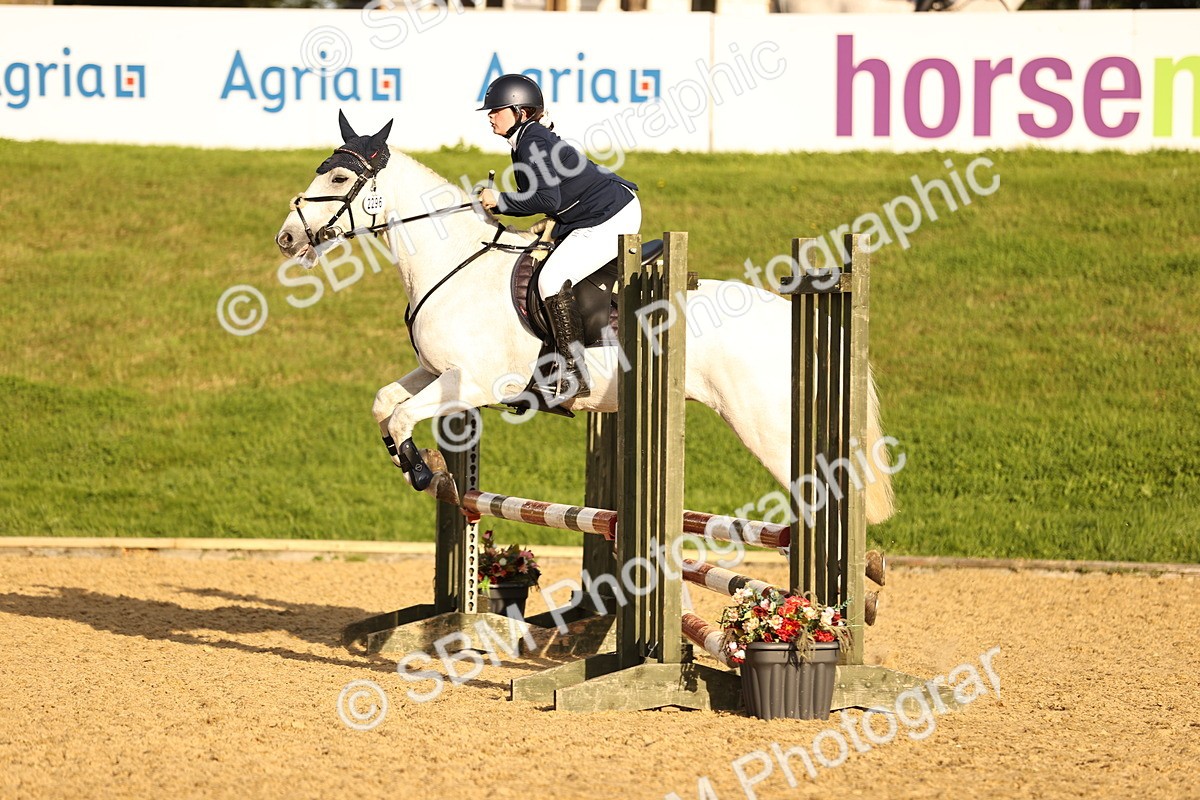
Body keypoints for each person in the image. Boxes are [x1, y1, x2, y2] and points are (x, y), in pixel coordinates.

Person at [476, 73, 641, 399]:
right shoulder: (526, 138)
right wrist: (548, 222)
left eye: (497, 110)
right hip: (596, 212)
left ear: (520, 112)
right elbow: (555, 198)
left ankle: (573, 372)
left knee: (550, 281)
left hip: (610, 217)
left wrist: (501, 200)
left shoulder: (532, 142)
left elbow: (547, 198)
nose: (490, 116)